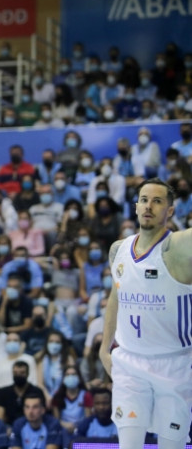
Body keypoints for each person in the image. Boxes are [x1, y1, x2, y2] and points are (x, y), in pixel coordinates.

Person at [99, 178, 192, 449]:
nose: (148, 206)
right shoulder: (118, 249)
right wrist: (105, 349)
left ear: (170, 211)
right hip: (130, 363)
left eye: (157, 201)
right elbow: (116, 298)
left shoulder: (178, 247)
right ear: (136, 206)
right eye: (143, 200)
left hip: (174, 364)